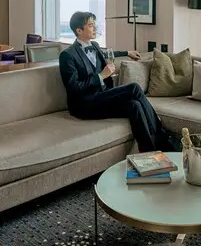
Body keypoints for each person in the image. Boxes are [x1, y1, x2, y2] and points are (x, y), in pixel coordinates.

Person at [59, 11, 175, 153]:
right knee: (134, 88)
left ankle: (148, 152)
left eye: (94, 24)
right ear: (79, 30)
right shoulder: (67, 55)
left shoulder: (94, 45)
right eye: (90, 25)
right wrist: (101, 76)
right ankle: (162, 137)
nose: (95, 27)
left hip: (102, 97)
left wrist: (127, 52)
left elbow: (107, 54)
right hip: (84, 105)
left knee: (134, 105)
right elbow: (74, 88)